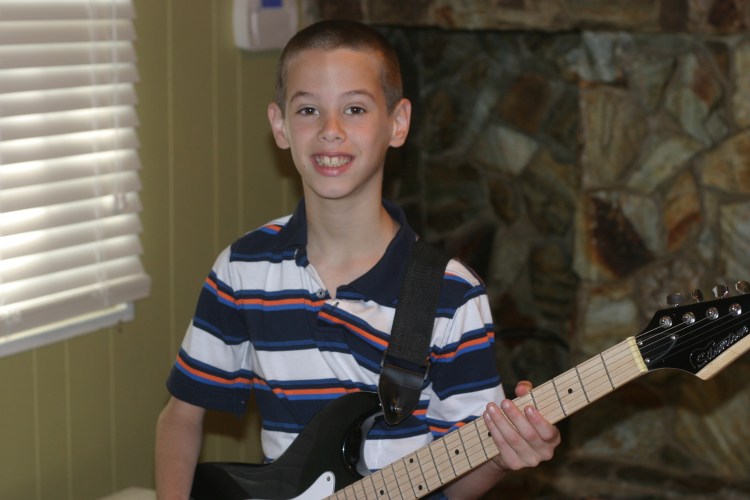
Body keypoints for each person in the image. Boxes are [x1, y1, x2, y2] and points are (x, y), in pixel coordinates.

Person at [155, 19, 560, 499]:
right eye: (309, 110)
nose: (331, 131)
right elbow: (181, 417)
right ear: (280, 126)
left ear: (398, 123)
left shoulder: (451, 294)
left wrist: (500, 457)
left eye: (354, 109)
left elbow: (459, 483)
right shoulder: (243, 269)